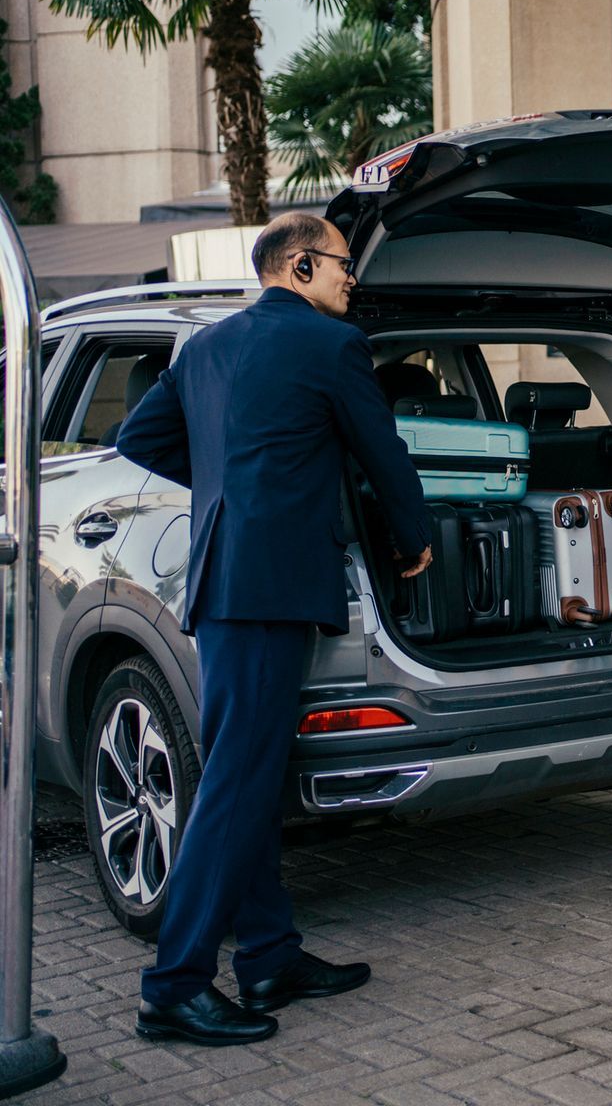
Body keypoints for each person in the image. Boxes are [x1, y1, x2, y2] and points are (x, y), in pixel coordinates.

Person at [116, 213, 437, 1044]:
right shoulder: (333, 347)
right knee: (233, 785)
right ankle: (173, 986)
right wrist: (416, 538)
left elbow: (138, 435)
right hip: (271, 588)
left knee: (247, 774)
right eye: (338, 264)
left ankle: (266, 957)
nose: (349, 279)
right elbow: (383, 450)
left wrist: (232, 476)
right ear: (297, 265)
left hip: (224, 581)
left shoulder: (205, 348)